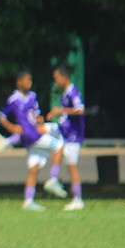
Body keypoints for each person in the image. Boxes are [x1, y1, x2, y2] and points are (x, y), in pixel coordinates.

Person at [0, 68, 67, 211]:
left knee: (34, 168)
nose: (30, 83)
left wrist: (39, 120)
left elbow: (35, 115)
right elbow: (1, 116)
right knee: (59, 146)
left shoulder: (33, 96)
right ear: (19, 83)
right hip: (32, 135)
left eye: (30, 80)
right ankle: (53, 179)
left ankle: (28, 201)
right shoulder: (14, 99)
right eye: (27, 80)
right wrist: (12, 127)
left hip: (31, 136)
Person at [46, 65, 85, 211]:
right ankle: (53, 179)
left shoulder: (72, 91)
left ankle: (78, 199)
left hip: (74, 135)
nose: (55, 82)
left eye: (56, 78)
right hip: (66, 133)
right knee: (56, 146)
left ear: (64, 77)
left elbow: (80, 109)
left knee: (72, 166)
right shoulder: (65, 93)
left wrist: (61, 110)